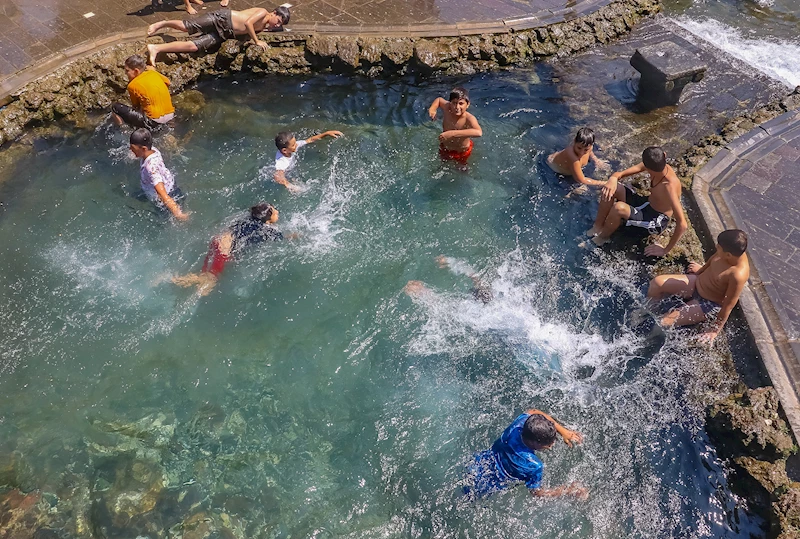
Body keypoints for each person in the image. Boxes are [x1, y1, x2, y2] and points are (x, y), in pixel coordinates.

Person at [645, 229, 750, 343]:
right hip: (697, 282)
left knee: (664, 322)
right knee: (657, 283)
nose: (716, 247)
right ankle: (649, 312)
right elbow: (712, 260)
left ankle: (646, 341)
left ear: (728, 255)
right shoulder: (727, 250)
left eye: (718, 247)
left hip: (707, 303)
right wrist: (700, 270)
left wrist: (714, 330)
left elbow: (728, 305)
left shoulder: (737, 275)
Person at [584, 146, 687, 256]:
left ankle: (602, 238)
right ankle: (598, 226)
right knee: (613, 188)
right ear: (664, 156)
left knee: (619, 208)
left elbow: (683, 224)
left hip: (654, 219)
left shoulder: (669, 187)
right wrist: (613, 178)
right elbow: (621, 174)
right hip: (646, 203)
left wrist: (665, 250)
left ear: (648, 168)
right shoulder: (657, 164)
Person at [463, 409, 587, 500]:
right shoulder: (533, 465)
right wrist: (568, 490)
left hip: (479, 463)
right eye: (548, 444)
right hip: (490, 484)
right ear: (535, 443)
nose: (552, 445)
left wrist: (563, 431)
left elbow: (534, 411)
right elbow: (537, 493)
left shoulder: (519, 425)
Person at [172, 202, 283, 295]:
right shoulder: (265, 231)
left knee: (206, 276)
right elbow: (281, 237)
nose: (277, 212)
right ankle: (174, 280)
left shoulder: (248, 219)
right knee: (210, 280)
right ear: (267, 220)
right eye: (274, 212)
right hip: (223, 249)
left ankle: (186, 282)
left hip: (218, 240)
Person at [145, 6, 290, 64]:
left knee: (194, 46)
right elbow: (248, 24)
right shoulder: (263, 12)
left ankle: (156, 48)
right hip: (222, 18)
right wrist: (257, 41)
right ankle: (162, 23)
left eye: (280, 24)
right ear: (274, 13)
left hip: (225, 33)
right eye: (278, 21)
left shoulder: (266, 25)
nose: (277, 25)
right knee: (188, 27)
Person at [129, 128, 188, 220]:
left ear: (143, 148)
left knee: (162, 220)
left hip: (166, 197)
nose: (130, 149)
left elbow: (162, 193)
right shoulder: (152, 150)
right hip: (171, 184)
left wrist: (178, 213)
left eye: (133, 148)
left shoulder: (151, 168)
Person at [111, 55, 175, 129]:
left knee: (114, 107)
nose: (125, 73)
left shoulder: (132, 85)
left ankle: (122, 128)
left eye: (127, 70)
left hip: (153, 121)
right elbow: (168, 82)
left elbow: (136, 106)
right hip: (170, 116)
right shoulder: (153, 73)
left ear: (136, 71)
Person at [273, 129, 343, 192]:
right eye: (293, 145)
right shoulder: (282, 161)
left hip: (291, 169)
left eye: (295, 142)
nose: (296, 144)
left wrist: (326, 133)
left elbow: (310, 140)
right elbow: (277, 176)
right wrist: (290, 186)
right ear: (284, 150)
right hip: (287, 174)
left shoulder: (292, 147)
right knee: (300, 189)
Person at [428, 87, 482, 166]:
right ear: (450, 103)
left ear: (468, 104)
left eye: (461, 103)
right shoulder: (447, 108)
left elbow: (479, 132)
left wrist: (452, 133)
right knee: (442, 166)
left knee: (462, 169)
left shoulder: (469, 118)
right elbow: (439, 100)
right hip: (445, 148)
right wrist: (432, 109)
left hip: (462, 152)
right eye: (454, 103)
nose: (457, 107)